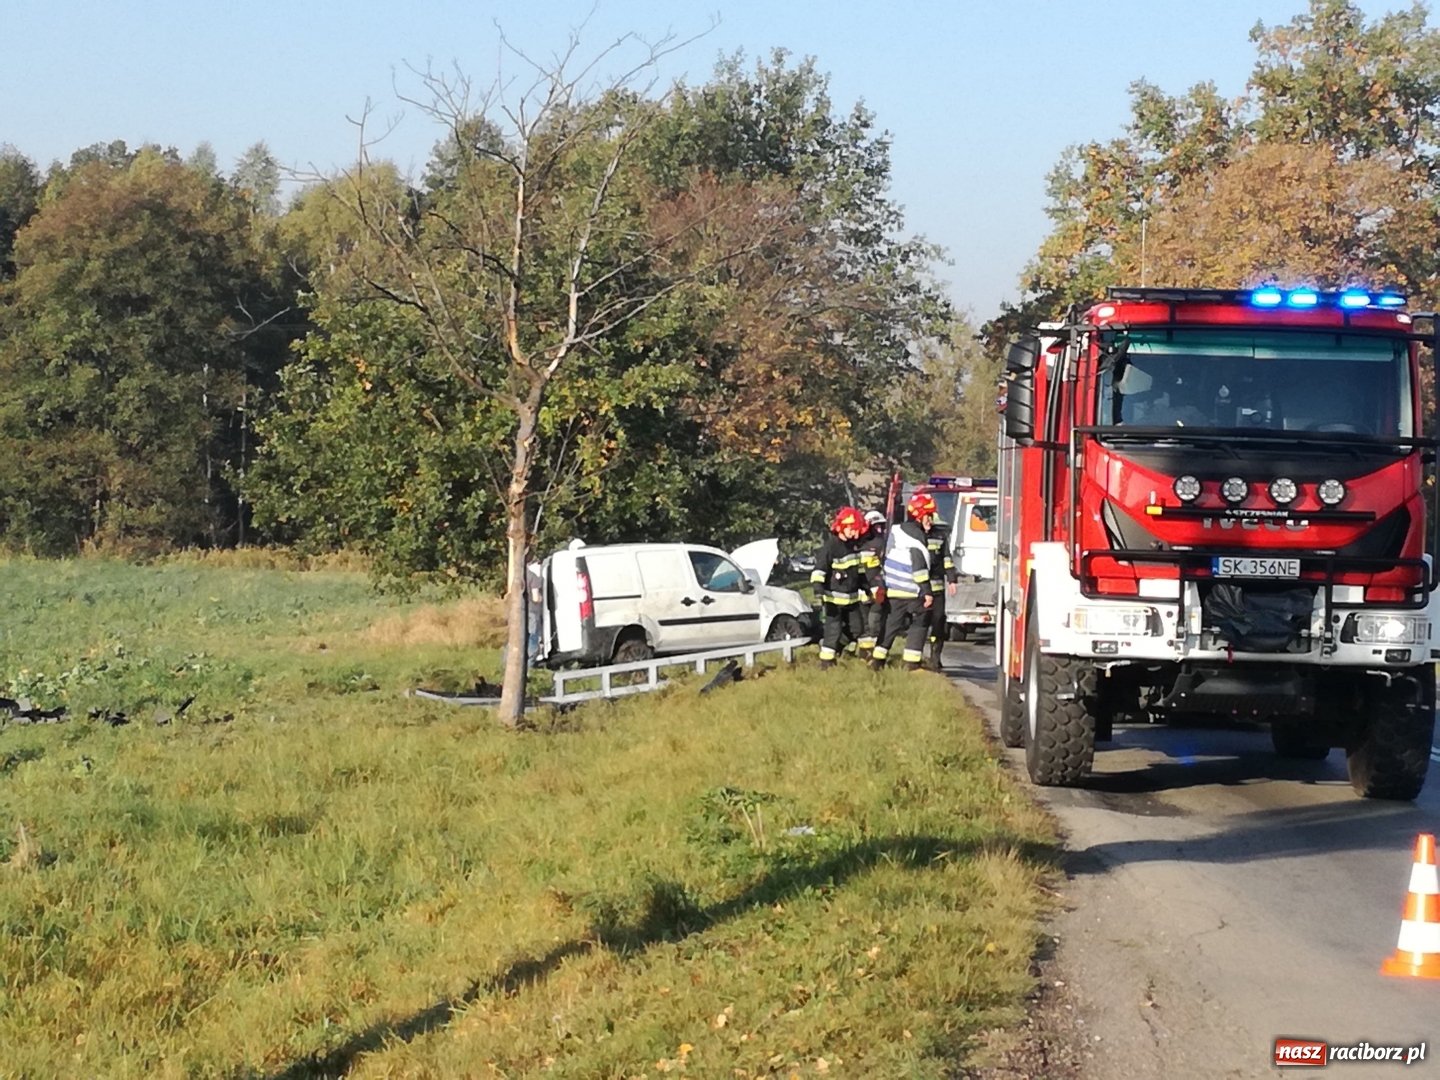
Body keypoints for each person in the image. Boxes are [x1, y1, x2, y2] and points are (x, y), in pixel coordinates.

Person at [871, 493, 934, 671]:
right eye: (929, 516)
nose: (931, 520)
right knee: (921, 621)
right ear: (921, 516)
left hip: (893, 589)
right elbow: (919, 568)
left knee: (890, 626)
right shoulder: (917, 537)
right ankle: (912, 664)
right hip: (911, 590)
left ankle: (877, 662)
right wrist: (926, 591)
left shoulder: (896, 530)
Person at [811, 506, 868, 669]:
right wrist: (818, 588)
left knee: (858, 628)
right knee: (833, 630)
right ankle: (827, 663)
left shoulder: (853, 546)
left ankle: (854, 653)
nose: (855, 533)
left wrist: (866, 588)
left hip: (852, 598)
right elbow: (820, 569)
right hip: (833, 599)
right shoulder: (831, 546)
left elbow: (859, 571)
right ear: (843, 527)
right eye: (852, 529)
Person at [924, 508, 957, 672]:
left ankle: (935, 659)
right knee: (921, 624)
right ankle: (917, 658)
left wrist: (951, 579)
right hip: (919, 589)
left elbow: (946, 559)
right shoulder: (914, 535)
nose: (928, 522)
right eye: (926, 518)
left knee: (938, 623)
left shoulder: (940, 536)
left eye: (930, 519)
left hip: (937, 587)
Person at [857, 510, 888, 660]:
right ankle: (865, 654)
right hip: (861, 588)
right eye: (876, 527)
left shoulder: (885, 543)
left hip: (878, 587)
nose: (880, 530)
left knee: (874, 621)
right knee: (863, 624)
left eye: (881, 527)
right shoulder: (857, 544)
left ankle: (875, 653)